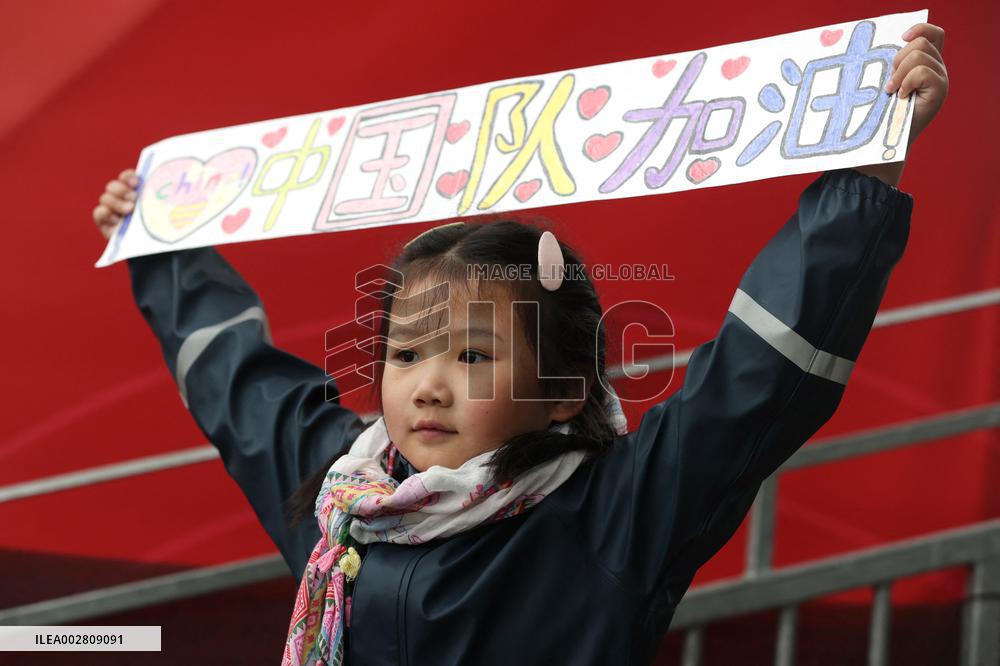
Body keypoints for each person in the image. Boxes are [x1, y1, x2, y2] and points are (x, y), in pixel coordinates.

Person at [92, 23, 947, 666]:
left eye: (471, 357)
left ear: (566, 391)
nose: (427, 387)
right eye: (405, 354)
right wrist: (161, 246)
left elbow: (757, 379)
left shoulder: (616, 520)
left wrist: (865, 176)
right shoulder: (338, 500)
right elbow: (236, 385)